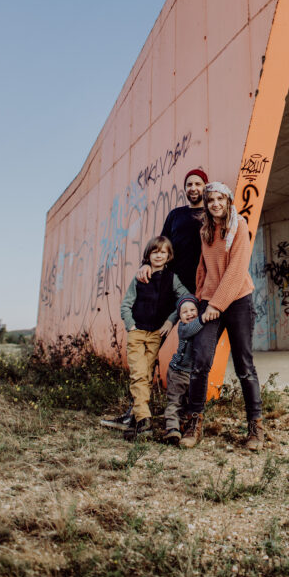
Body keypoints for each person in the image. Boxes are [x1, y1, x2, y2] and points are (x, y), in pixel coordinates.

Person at [100, 168, 208, 431]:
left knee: (193, 355)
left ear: (205, 187)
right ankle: (136, 414)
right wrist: (145, 265)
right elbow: (159, 244)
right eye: (189, 183)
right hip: (166, 290)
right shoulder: (176, 215)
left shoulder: (212, 215)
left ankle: (187, 414)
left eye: (198, 183)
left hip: (196, 294)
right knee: (146, 357)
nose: (193, 187)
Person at [181, 181, 264, 452]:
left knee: (244, 365)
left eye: (220, 199)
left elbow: (237, 269)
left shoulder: (238, 227)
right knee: (200, 361)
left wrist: (217, 304)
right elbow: (204, 266)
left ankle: (255, 426)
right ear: (206, 204)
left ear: (228, 200)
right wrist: (201, 297)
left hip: (238, 300)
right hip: (210, 301)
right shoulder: (206, 230)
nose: (215, 203)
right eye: (210, 200)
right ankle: (194, 422)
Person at [119, 236, 189, 440]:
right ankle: (144, 420)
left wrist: (170, 321)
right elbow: (126, 304)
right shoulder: (140, 277)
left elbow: (185, 299)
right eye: (154, 252)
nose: (159, 255)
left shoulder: (172, 278)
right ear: (148, 255)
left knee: (146, 375)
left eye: (163, 252)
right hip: (137, 333)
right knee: (138, 374)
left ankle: (138, 418)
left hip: (155, 334)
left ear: (169, 256)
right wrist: (130, 326)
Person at [163, 294, 203, 444]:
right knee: (175, 401)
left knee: (187, 402)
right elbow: (192, 329)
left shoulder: (198, 326)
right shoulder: (183, 327)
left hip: (191, 374)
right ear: (179, 316)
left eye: (193, 310)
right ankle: (171, 429)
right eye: (184, 312)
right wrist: (203, 318)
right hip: (177, 372)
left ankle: (182, 426)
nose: (189, 314)